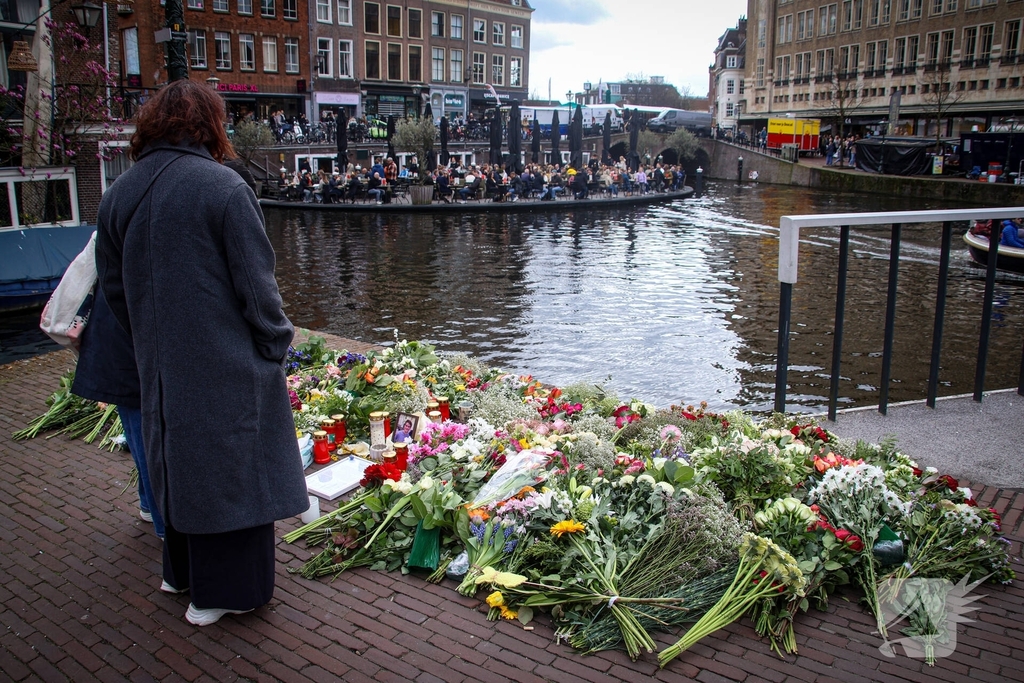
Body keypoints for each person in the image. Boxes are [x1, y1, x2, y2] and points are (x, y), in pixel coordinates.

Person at [94, 79, 308, 627]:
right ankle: (223, 595)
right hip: (226, 364)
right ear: (209, 124)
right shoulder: (223, 188)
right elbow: (258, 287)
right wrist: (273, 343)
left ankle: (180, 573)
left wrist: (153, 338)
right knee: (233, 476)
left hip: (163, 364)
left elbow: (113, 288)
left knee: (179, 464)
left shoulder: (120, 191)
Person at [72, 282, 165, 540]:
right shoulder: (140, 245)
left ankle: (148, 503)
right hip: (131, 337)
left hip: (114, 330)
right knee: (149, 438)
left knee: (137, 430)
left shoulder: (110, 242)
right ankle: (165, 527)